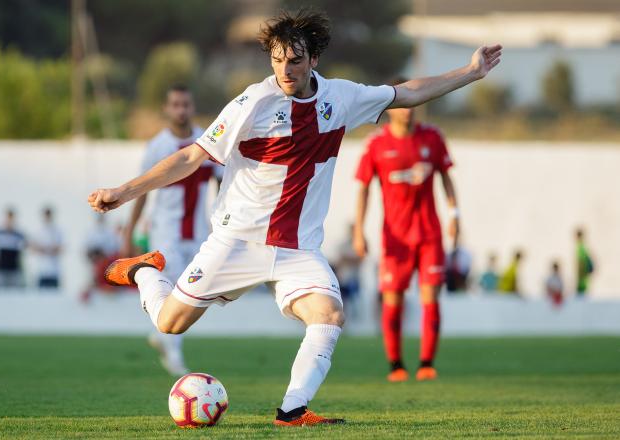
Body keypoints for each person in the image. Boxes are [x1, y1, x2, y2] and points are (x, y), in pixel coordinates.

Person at [88, 9, 502, 426]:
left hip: (298, 249)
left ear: (314, 60)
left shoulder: (341, 98)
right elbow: (191, 156)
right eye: (277, 59)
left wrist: (469, 71)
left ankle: (292, 409)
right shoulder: (252, 103)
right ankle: (144, 271)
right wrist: (123, 192)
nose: (285, 70)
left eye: (295, 60)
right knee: (169, 323)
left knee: (329, 314)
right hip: (237, 241)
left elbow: (406, 93)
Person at [352, 79, 460, 382]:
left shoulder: (433, 137)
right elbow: (363, 189)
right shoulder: (376, 144)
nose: (409, 111)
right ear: (391, 107)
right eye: (404, 104)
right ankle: (396, 365)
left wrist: (455, 214)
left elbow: (447, 179)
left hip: (429, 234)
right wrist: (359, 231)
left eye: (415, 103)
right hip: (395, 238)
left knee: (430, 296)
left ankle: (426, 363)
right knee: (393, 298)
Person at [122, 84, 216, 376]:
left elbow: (223, 183)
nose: (181, 110)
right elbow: (142, 190)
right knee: (176, 288)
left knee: (193, 292)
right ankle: (172, 353)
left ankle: (162, 336)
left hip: (199, 232)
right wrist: (129, 231)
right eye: (175, 104)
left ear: (192, 107)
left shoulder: (208, 141)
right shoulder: (157, 147)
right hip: (166, 232)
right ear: (167, 108)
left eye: (185, 104)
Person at [31, 206, 63, 290]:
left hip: (54, 271)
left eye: (49, 215)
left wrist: (49, 249)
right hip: (41, 270)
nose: (47, 217)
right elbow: (33, 247)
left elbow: (61, 248)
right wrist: (44, 249)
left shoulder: (57, 231)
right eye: (46, 215)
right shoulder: (38, 231)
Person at [575, 228, 594, 296]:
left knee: (581, 292)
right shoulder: (582, 246)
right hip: (583, 275)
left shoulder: (580, 247)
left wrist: (580, 273)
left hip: (582, 274)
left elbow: (581, 261)